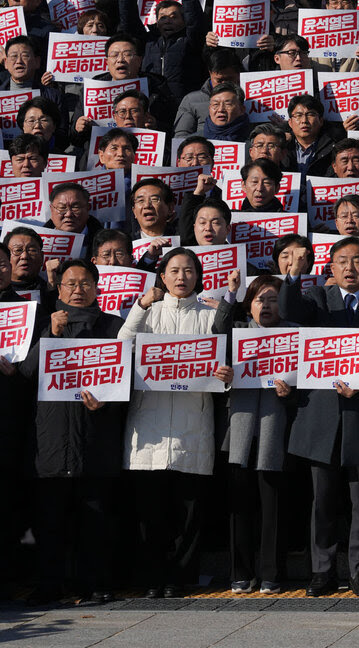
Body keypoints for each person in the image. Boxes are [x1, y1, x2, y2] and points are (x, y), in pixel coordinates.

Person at [278, 237, 359, 597]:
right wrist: (292, 276)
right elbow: (289, 310)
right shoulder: (317, 299)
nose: (351, 268)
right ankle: (322, 571)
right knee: (323, 502)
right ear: (330, 267)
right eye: (343, 261)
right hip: (321, 416)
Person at [119, 248, 234, 598]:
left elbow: (226, 364)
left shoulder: (208, 315)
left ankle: (179, 578)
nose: (181, 277)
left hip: (192, 423)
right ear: (162, 276)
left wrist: (225, 375)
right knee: (150, 512)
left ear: (198, 276)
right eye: (174, 271)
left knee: (188, 512)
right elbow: (121, 348)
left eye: (188, 271)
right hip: (149, 425)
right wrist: (139, 307)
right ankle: (152, 577)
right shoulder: (147, 313)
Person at [16, 259, 123, 605]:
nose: (79, 290)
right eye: (71, 284)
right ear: (58, 289)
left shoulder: (113, 327)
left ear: (97, 288)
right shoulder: (39, 325)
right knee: (49, 521)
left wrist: (105, 403)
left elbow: (127, 387)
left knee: (95, 520)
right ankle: (50, 584)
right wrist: (51, 334)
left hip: (95, 439)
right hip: (51, 439)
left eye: (86, 284)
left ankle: (93, 583)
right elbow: (24, 376)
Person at [216, 275, 294, 595]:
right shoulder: (236, 335)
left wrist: (292, 387)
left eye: (273, 299)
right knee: (240, 505)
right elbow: (215, 332)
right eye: (260, 299)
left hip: (276, 430)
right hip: (240, 430)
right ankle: (240, 573)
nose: (266, 305)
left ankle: (271, 574)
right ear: (249, 305)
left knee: (273, 507)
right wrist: (225, 375)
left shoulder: (295, 334)